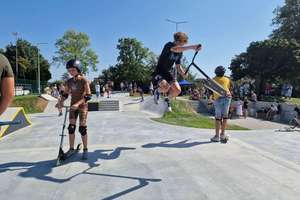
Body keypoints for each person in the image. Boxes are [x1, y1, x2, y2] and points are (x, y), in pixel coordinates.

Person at [152, 32, 201, 111]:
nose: (183, 46)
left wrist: (183, 73)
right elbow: (176, 49)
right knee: (166, 87)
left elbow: (178, 66)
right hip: (159, 71)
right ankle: (157, 91)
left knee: (178, 90)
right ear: (178, 41)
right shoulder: (169, 45)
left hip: (167, 73)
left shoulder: (180, 53)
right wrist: (192, 47)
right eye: (183, 43)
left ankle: (167, 100)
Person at [56, 59, 92, 160]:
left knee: (82, 129)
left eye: (73, 70)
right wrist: (60, 102)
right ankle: (71, 149)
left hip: (82, 106)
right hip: (73, 106)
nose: (71, 72)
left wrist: (78, 103)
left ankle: (85, 149)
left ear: (78, 69)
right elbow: (66, 94)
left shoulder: (84, 80)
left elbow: (88, 96)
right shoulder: (69, 81)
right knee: (71, 128)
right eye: (69, 70)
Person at [210, 66, 232, 143]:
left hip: (218, 99)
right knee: (225, 116)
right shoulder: (227, 79)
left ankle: (217, 136)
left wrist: (211, 99)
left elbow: (211, 90)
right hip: (228, 97)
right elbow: (228, 88)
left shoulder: (213, 80)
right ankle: (222, 134)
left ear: (216, 72)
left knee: (218, 118)